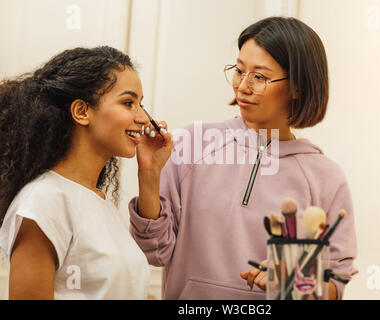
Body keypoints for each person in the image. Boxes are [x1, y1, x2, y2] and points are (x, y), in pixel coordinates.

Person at [130, 16, 358, 300]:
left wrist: (295, 283)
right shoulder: (191, 144)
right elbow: (154, 251)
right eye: (239, 71)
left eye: (259, 77)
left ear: (297, 87)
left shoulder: (326, 177)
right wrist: (148, 176)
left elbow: (335, 282)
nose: (243, 86)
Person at [0, 46, 156, 299]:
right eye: (129, 103)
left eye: (141, 104)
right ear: (82, 111)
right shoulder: (45, 201)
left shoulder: (98, 201)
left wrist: (150, 171)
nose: (144, 119)